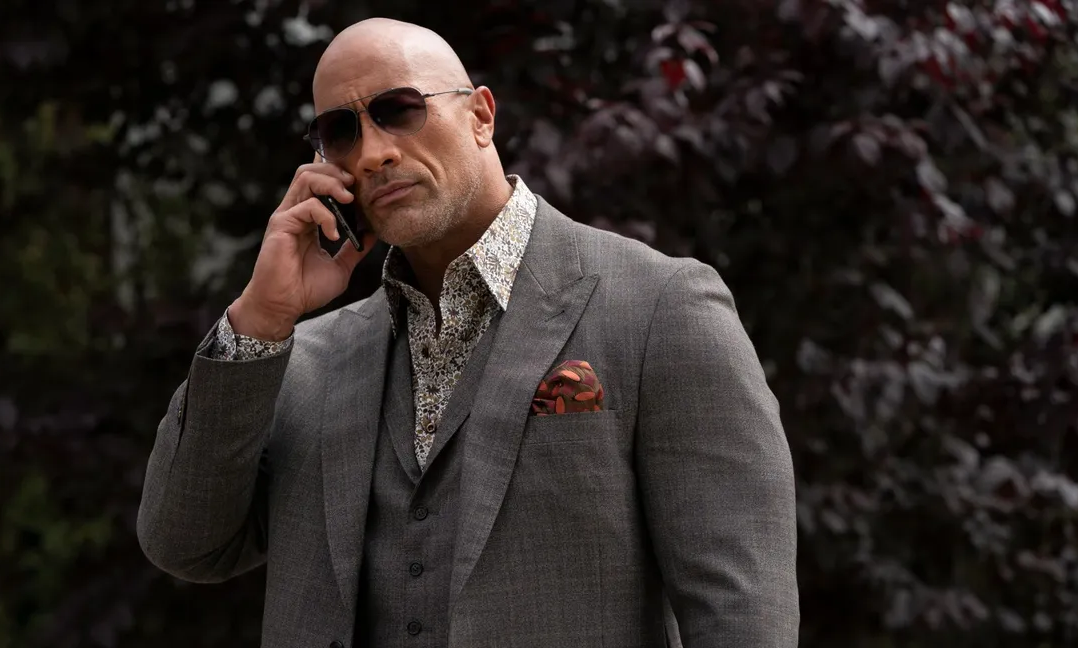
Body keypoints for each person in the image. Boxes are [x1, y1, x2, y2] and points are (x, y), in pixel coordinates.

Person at [136, 17, 798, 648]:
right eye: (340, 133)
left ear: (481, 115)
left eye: (399, 110)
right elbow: (186, 544)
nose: (373, 153)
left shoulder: (659, 309)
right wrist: (261, 316)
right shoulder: (304, 361)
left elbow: (742, 615)